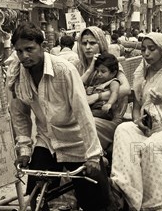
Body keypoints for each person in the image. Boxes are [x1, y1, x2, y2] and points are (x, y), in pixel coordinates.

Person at [9, 23, 110, 211]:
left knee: (96, 203)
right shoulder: (17, 74)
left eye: (29, 49)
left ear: (43, 46)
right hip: (47, 141)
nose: (24, 56)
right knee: (35, 198)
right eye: (19, 51)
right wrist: (24, 149)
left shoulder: (64, 70)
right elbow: (20, 115)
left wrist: (93, 156)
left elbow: (82, 112)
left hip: (77, 142)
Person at [111, 33, 162, 210]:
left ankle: (155, 204)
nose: (146, 53)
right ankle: (127, 191)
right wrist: (136, 119)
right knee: (123, 130)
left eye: (151, 48)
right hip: (147, 122)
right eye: (143, 49)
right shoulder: (141, 74)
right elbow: (136, 104)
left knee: (152, 147)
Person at [76, 26, 132, 149]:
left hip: (108, 118)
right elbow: (73, 90)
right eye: (84, 43)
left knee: (86, 124)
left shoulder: (109, 64)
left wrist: (96, 96)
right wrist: (89, 70)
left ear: (100, 43)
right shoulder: (78, 66)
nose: (88, 47)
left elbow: (126, 89)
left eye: (92, 43)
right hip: (84, 112)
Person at [83, 53, 121, 120]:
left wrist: (109, 103)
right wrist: (89, 91)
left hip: (104, 110)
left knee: (87, 114)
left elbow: (115, 93)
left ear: (113, 73)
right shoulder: (98, 82)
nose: (99, 74)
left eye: (103, 71)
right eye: (97, 71)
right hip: (94, 108)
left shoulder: (113, 82)